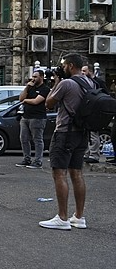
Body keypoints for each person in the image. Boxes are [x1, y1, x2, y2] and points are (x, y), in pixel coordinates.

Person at [40, 54, 93, 230]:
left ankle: (62, 218)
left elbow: (48, 103)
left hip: (65, 132)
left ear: (70, 66)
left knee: (59, 173)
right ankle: (79, 216)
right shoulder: (89, 82)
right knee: (76, 173)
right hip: (82, 133)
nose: (61, 68)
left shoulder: (66, 83)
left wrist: (57, 81)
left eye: (63, 66)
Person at [16, 69, 51, 168]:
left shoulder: (45, 89)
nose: (33, 79)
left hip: (38, 118)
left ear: (41, 77)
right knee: (24, 138)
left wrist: (26, 100)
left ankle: (38, 161)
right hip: (26, 117)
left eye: (36, 77)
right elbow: (21, 98)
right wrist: (27, 87)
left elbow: (36, 101)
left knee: (37, 139)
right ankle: (27, 159)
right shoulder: (30, 87)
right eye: (33, 77)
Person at [81, 65, 107, 164]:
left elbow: (105, 96)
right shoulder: (84, 82)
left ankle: (94, 155)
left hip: (95, 111)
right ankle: (87, 153)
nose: (82, 73)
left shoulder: (98, 82)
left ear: (90, 71)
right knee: (87, 133)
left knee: (93, 133)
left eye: (84, 71)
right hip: (87, 110)